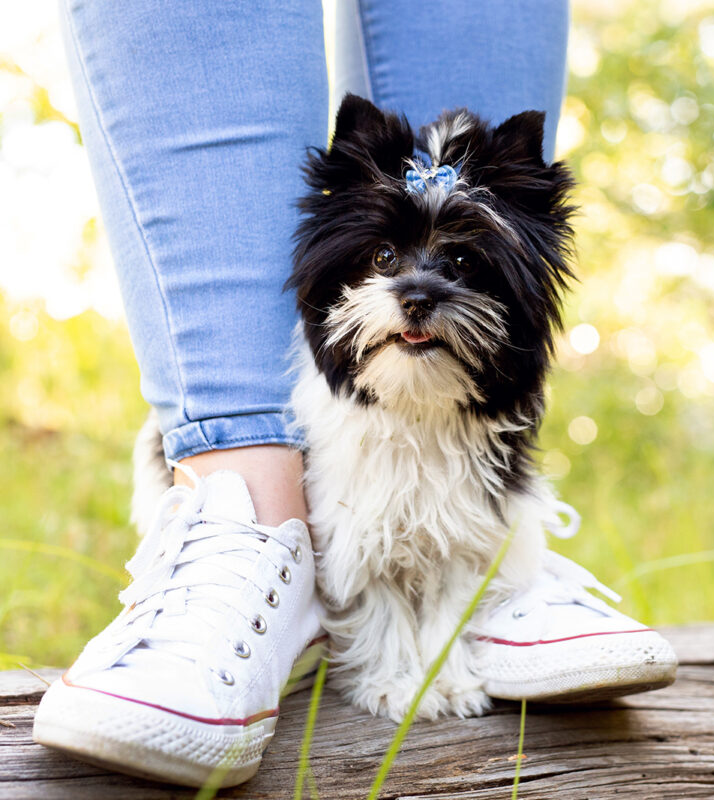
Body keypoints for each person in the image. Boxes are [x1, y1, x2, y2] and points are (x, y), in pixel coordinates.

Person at [33, 0, 677, 787]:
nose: (414, 292)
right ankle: (248, 517)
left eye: (461, 269)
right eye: (381, 258)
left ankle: (500, 571)